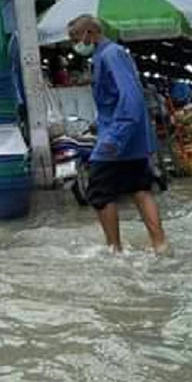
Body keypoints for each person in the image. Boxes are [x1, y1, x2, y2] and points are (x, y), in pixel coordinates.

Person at [67, 15, 166, 255]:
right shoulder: (105, 56)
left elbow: (130, 96)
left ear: (89, 32)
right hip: (126, 135)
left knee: (99, 192)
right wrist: (100, 125)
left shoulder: (111, 54)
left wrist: (116, 136)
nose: (74, 44)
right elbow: (113, 100)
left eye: (75, 37)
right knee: (139, 187)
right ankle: (161, 246)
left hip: (119, 136)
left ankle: (114, 249)